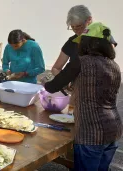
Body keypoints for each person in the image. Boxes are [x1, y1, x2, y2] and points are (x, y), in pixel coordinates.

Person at [42, 22, 122, 171]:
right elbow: (97, 89)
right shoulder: (114, 65)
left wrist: (44, 84)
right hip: (113, 129)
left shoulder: (81, 61)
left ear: (86, 43)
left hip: (91, 132)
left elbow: (54, 85)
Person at [51, 5, 117, 76]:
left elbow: (110, 63)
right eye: (73, 27)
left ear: (89, 20)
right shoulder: (72, 41)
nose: (76, 31)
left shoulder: (103, 36)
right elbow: (56, 68)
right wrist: (66, 83)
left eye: (79, 26)